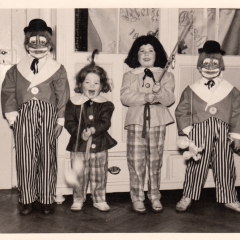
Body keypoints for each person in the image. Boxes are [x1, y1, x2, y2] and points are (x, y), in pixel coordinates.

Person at [1, 19, 70, 215]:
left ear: (49, 44)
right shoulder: (15, 70)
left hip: (49, 114)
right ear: (26, 44)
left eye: (43, 43)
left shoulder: (58, 69)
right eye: (33, 43)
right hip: (24, 115)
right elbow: (7, 94)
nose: (38, 47)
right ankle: (27, 198)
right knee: (25, 157)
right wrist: (13, 118)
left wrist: (60, 119)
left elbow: (62, 95)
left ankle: (46, 198)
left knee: (47, 156)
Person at [175, 40, 240, 213]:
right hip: (198, 133)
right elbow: (182, 112)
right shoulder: (191, 90)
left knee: (225, 165)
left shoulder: (231, 90)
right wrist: (186, 133)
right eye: (206, 63)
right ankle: (188, 195)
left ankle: (229, 197)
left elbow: (237, 113)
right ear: (199, 65)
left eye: (214, 63)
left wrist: (236, 136)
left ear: (220, 65)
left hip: (223, 132)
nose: (210, 67)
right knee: (196, 165)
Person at [120, 35, 175, 213]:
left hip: (157, 122)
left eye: (151, 50)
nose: (146, 54)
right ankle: (137, 197)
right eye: (142, 50)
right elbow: (125, 97)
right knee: (136, 161)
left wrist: (159, 92)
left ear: (157, 54)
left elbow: (169, 100)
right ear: (136, 55)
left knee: (155, 160)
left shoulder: (166, 74)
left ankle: (154, 195)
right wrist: (144, 97)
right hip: (136, 122)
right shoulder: (129, 75)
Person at [64, 49, 117, 212]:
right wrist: (79, 132)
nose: (92, 86)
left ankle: (99, 198)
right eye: (87, 82)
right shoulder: (73, 103)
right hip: (78, 146)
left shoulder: (106, 104)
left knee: (99, 173)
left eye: (96, 83)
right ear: (80, 85)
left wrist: (93, 130)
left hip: (100, 145)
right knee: (79, 173)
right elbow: (69, 122)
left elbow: (105, 122)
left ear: (102, 86)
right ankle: (78, 198)